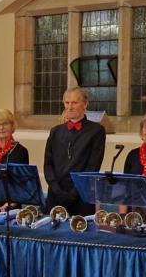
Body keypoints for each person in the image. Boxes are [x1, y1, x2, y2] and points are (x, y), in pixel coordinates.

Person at [43, 87, 106, 215]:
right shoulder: (55, 131)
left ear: (85, 104)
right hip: (56, 196)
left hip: (81, 196)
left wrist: (72, 194)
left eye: (74, 102)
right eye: (67, 102)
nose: (70, 107)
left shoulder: (96, 131)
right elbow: (48, 164)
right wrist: (57, 190)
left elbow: (92, 167)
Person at [0, 109, 30, 210]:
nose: (1, 128)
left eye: (5, 124)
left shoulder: (20, 151)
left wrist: (3, 208)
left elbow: (20, 186)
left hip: (10, 208)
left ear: (12, 126)